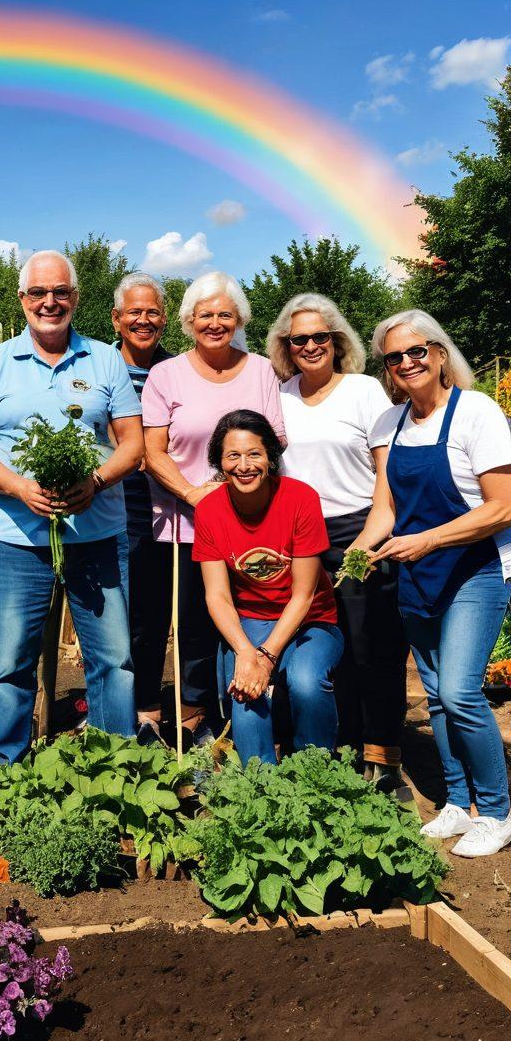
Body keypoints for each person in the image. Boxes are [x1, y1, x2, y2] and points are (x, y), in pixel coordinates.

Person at [0, 250, 144, 763]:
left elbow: (132, 443)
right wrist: (20, 487)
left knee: (112, 660)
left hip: (97, 536)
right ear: (22, 299)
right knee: (12, 659)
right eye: (38, 292)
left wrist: (97, 479)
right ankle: (5, 767)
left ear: (76, 298)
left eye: (60, 292)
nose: (50, 302)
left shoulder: (105, 358)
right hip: (14, 540)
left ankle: (115, 768)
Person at [353, 310, 511, 857]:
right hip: (417, 574)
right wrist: (359, 550)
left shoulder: (477, 413)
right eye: (395, 357)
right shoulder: (388, 425)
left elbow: (501, 509)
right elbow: (385, 509)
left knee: (462, 692)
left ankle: (496, 811)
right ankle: (457, 802)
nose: (407, 363)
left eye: (417, 350)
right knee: (439, 698)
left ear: (440, 353)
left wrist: (431, 540)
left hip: (474, 569)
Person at [268, 293, 408, 786]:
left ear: (336, 340)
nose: (309, 345)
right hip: (299, 537)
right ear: (285, 345)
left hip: (359, 527)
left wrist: (369, 539)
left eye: (319, 337)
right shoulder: (279, 396)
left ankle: (382, 757)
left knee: (372, 645)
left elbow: (385, 473)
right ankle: (337, 747)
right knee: (318, 644)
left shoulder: (363, 391)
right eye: (298, 338)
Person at [142, 271, 285, 742]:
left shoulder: (262, 370)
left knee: (205, 622)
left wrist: (228, 487)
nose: (216, 322)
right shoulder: (166, 374)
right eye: (205, 314)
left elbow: (275, 440)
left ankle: (194, 714)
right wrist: (192, 494)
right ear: (188, 321)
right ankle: (147, 716)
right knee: (157, 618)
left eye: (226, 314)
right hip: (179, 520)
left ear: (239, 319)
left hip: (243, 522)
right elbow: (152, 450)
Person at [193, 409, 343, 765]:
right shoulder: (209, 510)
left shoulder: (300, 499)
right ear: (219, 462)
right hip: (251, 617)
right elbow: (216, 595)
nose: (244, 466)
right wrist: (246, 653)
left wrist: (265, 656)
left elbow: (304, 594)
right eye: (233, 456)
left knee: (307, 683)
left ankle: (317, 773)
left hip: (311, 619)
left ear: (270, 457)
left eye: (254, 454)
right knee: (245, 690)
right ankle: (259, 785)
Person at [111, 272, 173, 743]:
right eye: (134, 311)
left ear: (165, 319)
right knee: (113, 613)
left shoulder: (176, 371)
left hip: (168, 505)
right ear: (117, 319)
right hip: (112, 501)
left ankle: (148, 708)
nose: (143, 320)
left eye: (152, 311)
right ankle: (112, 705)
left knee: (153, 612)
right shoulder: (98, 366)